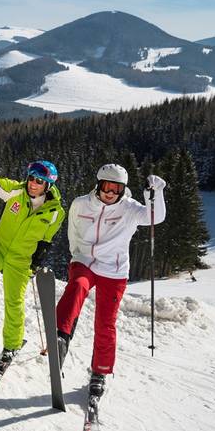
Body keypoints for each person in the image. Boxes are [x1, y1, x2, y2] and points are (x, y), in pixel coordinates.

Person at [55, 163, 166, 398]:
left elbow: (155, 217)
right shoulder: (81, 204)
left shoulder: (129, 208)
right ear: (98, 184)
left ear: (122, 189)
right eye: (107, 186)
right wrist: (76, 255)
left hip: (113, 271)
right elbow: (72, 231)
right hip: (84, 260)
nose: (110, 193)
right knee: (76, 288)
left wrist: (154, 194)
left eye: (116, 188)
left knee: (105, 323)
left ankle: (100, 372)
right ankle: (60, 338)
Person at [0, 138, 66, 367]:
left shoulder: (56, 213)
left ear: (48, 185)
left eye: (39, 181)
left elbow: (46, 242)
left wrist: (34, 266)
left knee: (14, 302)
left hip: (21, 259)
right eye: (31, 179)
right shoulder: (16, 191)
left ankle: (11, 345)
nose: (33, 184)